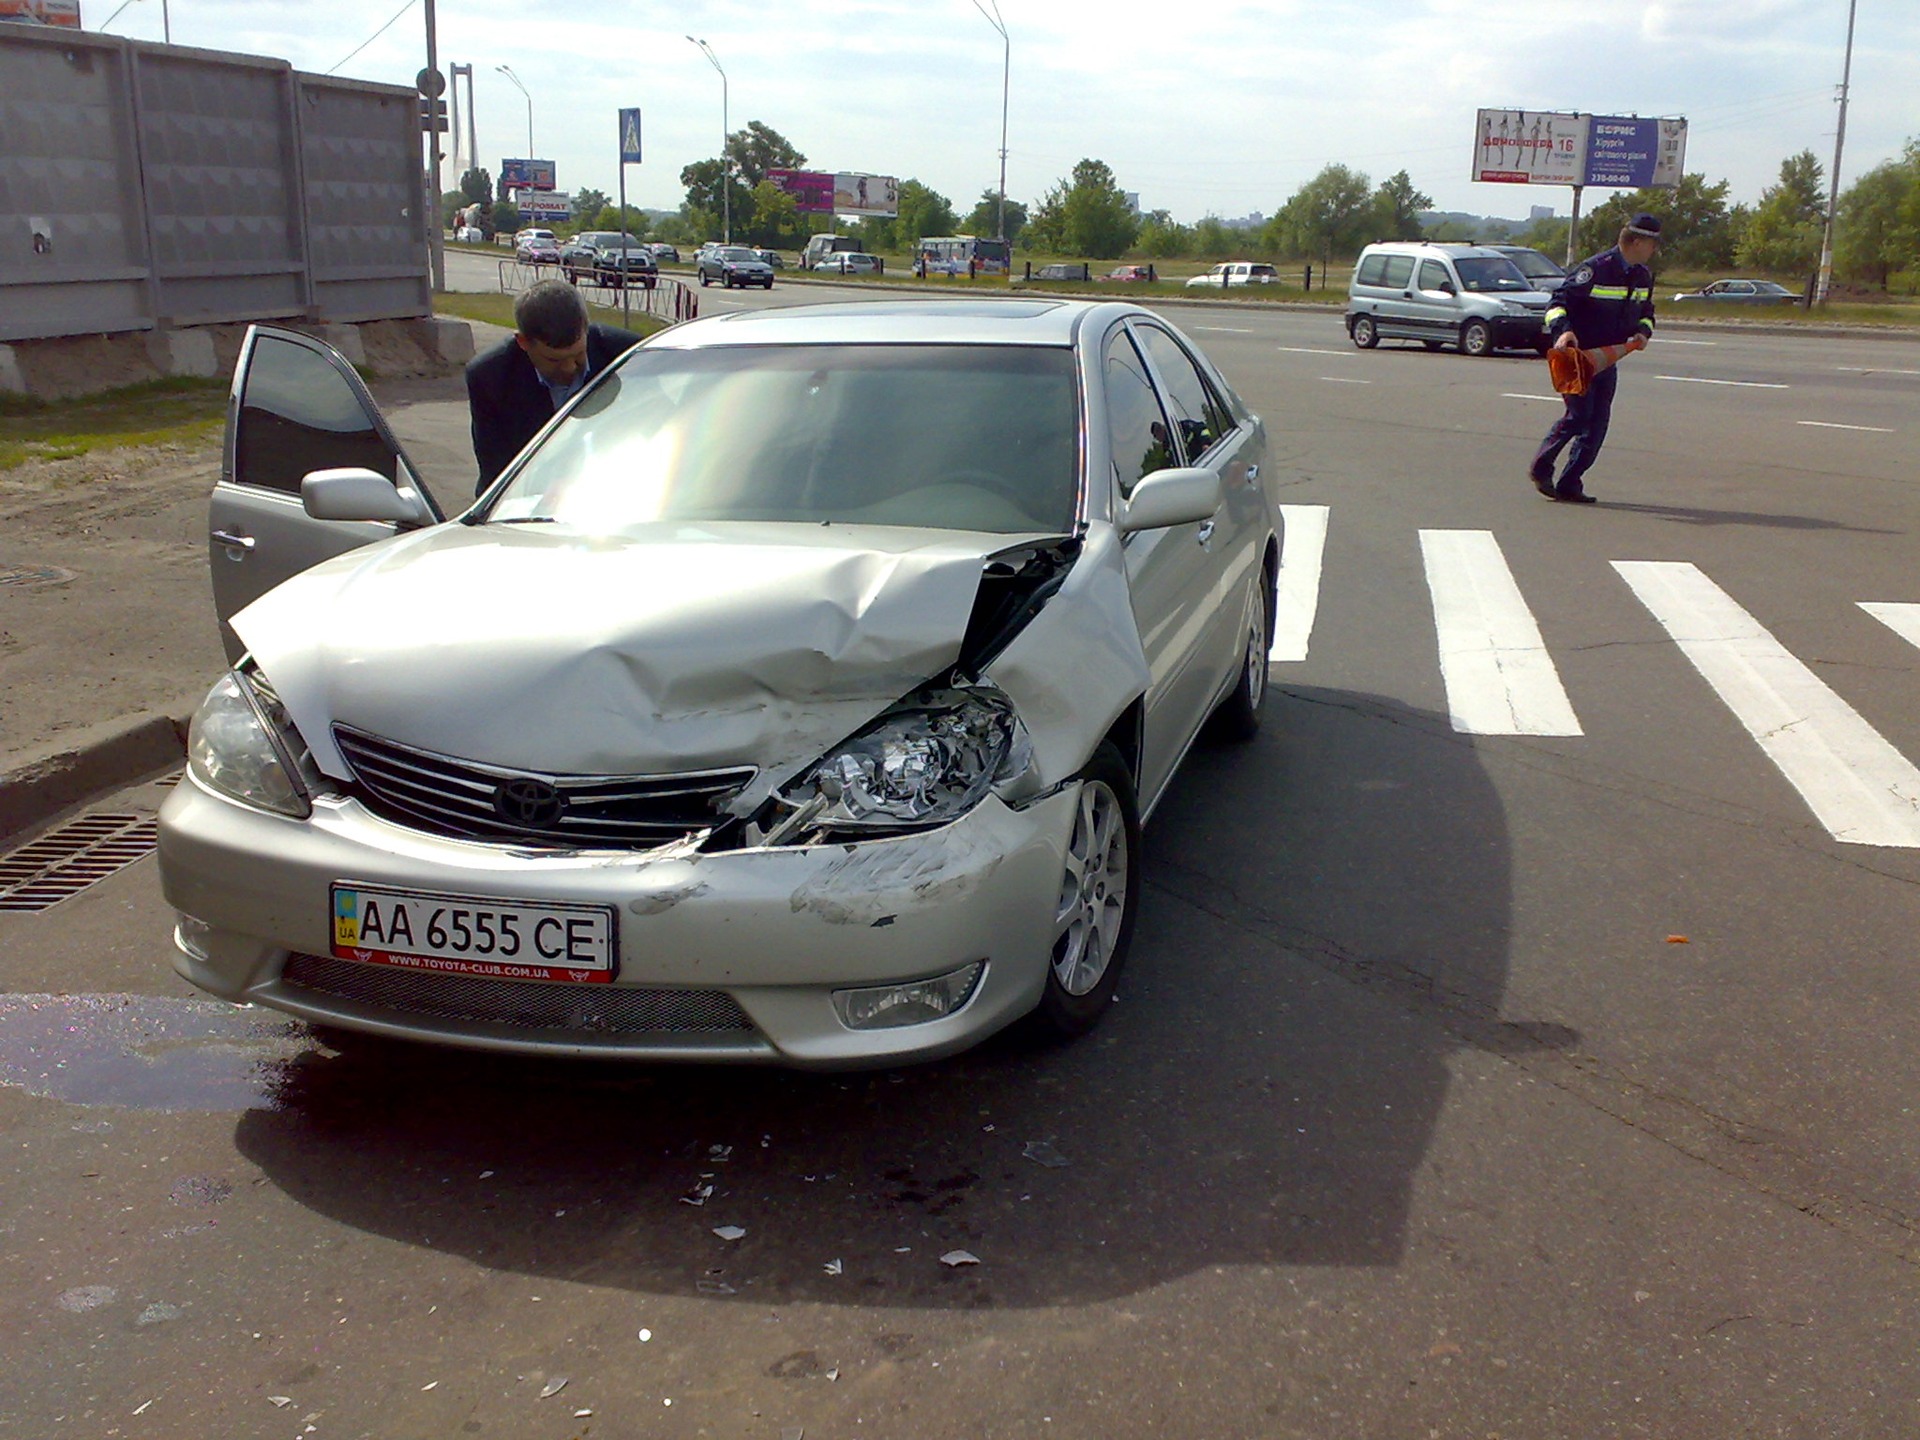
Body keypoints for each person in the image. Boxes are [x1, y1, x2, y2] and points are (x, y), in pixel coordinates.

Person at [1529, 213, 1661, 504]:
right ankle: (1541, 467)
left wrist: (1643, 332)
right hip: (1576, 356)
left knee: (1598, 423)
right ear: (1636, 242)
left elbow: (1647, 313)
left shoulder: (1642, 275)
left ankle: (1570, 483)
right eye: (1652, 244)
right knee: (1579, 417)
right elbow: (1557, 303)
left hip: (1606, 359)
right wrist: (1563, 332)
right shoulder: (1596, 269)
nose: (1655, 251)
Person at [466, 280, 643, 495]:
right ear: (523, 342)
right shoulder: (490, 377)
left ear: (586, 329)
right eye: (554, 360)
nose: (569, 369)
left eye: (578, 355)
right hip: (533, 500)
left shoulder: (629, 355)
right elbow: (495, 471)